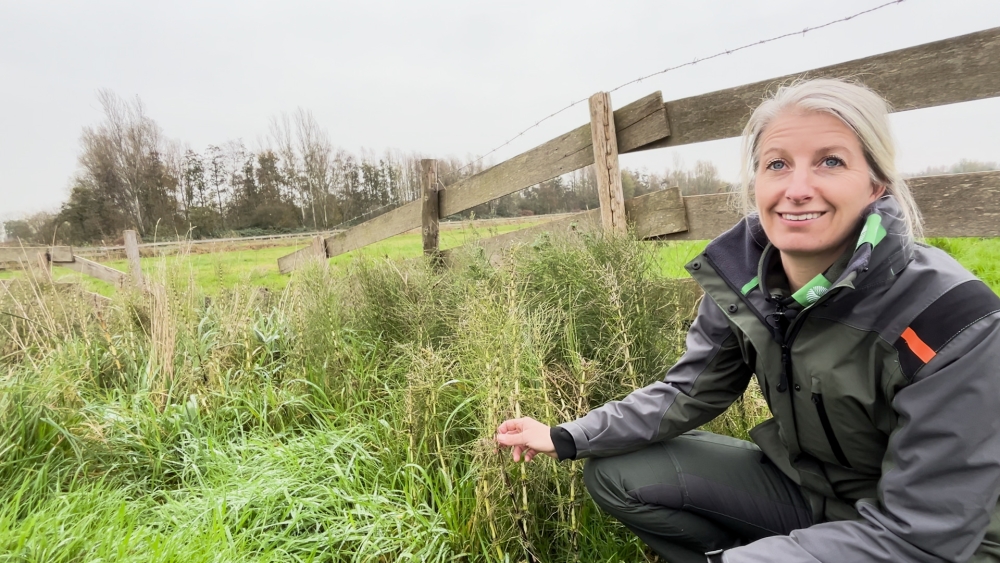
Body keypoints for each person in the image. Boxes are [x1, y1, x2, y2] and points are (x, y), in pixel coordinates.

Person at [495, 78, 1000, 562]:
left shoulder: (953, 321)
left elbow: (924, 536)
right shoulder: (748, 282)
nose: (797, 188)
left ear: (875, 185)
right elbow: (688, 390)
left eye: (830, 161)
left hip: (942, 540)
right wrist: (566, 436)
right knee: (619, 472)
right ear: (756, 181)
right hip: (810, 491)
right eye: (777, 164)